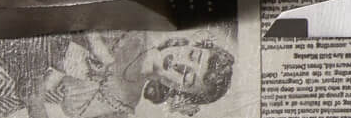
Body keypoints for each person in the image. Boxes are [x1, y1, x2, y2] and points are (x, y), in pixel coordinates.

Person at [15, 33, 235, 118]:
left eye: (187, 78)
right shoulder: (131, 27)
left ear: (179, 92)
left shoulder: (119, 110)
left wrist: (34, 103)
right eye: (192, 55)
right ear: (187, 44)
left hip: (10, 94)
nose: (180, 64)